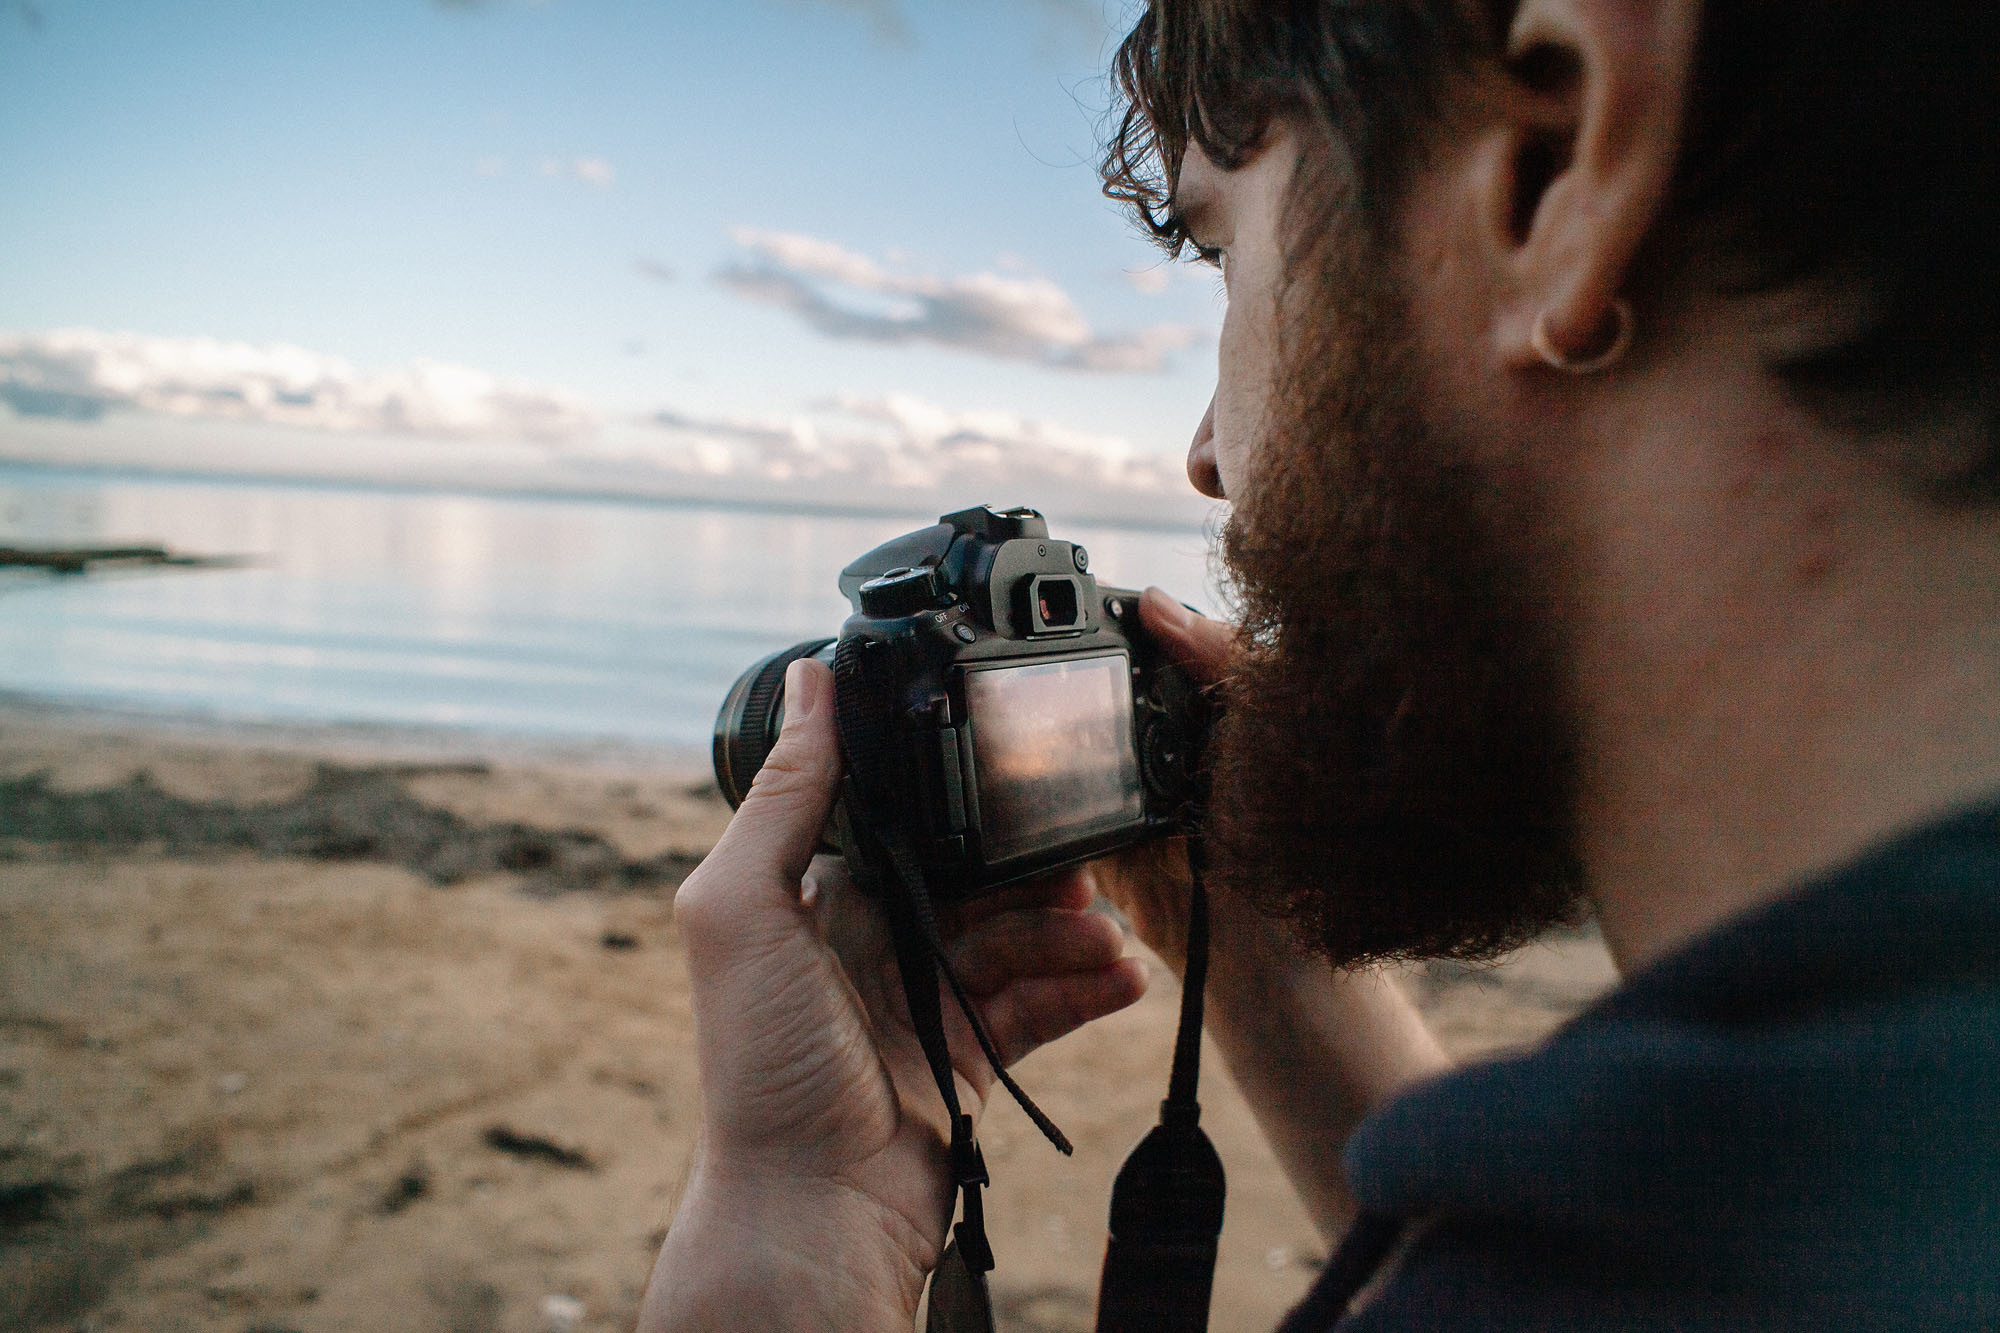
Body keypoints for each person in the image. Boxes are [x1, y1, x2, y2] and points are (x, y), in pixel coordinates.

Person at [640, 0, 2000, 1327]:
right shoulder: (1859, 1150)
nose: (1208, 454)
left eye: (1225, 249)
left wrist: (799, 1218)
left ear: (1550, 166)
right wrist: (1249, 938)